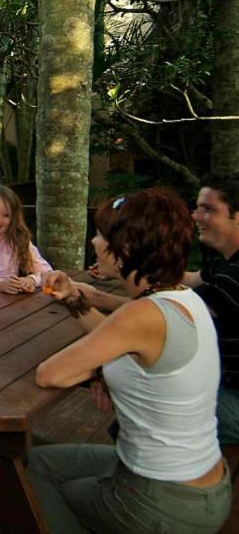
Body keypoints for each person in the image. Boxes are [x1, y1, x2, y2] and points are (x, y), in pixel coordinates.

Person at [29, 189, 231, 534]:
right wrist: (73, 296)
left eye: (100, 235)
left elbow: (50, 374)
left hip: (163, 500)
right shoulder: (184, 299)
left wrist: (97, 370)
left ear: (122, 251)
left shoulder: (142, 314)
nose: (93, 242)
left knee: (30, 483)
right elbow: (117, 338)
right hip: (203, 484)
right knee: (36, 462)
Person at [54, 173, 239, 444]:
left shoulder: (233, 279)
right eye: (197, 206)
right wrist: (122, 272)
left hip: (230, 398)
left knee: (138, 387)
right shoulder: (221, 265)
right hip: (215, 379)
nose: (195, 216)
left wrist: (99, 368)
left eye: (208, 209)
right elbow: (180, 284)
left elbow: (160, 319)